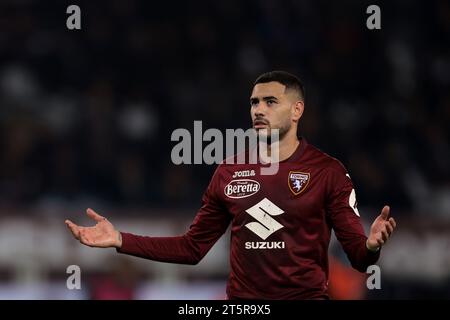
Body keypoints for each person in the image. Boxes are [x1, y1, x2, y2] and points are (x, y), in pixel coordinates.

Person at [65, 71, 396, 299]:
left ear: (297, 110)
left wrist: (371, 246)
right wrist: (122, 239)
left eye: (270, 102)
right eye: (254, 102)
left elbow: (359, 258)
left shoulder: (328, 171)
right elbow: (192, 249)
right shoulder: (229, 171)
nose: (259, 110)